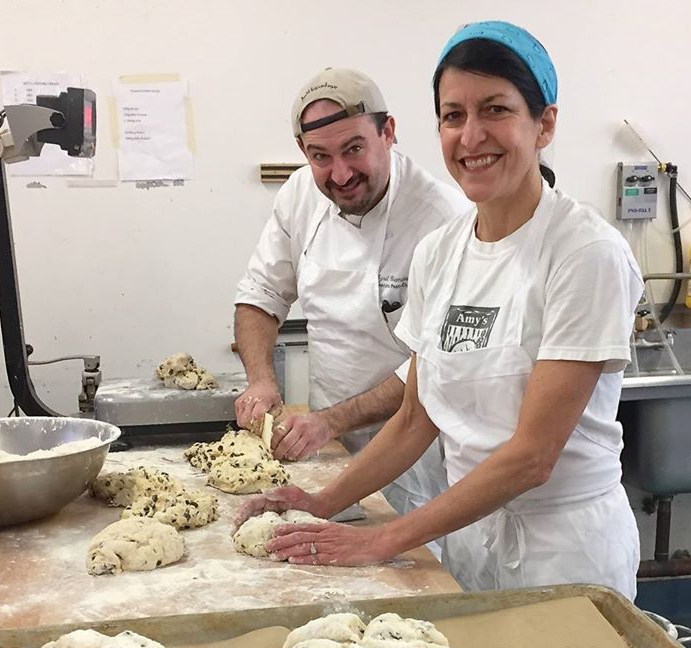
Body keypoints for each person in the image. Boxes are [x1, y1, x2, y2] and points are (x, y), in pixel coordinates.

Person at [237, 21, 644, 601]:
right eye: (453, 115)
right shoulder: (442, 252)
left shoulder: (584, 254)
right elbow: (415, 416)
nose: (470, 136)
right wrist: (322, 504)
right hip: (468, 535)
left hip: (564, 550)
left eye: (495, 109)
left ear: (544, 123)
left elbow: (532, 456)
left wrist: (387, 538)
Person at [233, 68, 469, 533]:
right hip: (326, 448)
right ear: (303, 151)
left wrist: (331, 421)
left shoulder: (444, 220)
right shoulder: (300, 193)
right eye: (321, 156)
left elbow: (433, 367)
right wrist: (261, 380)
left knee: (410, 572)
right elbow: (260, 296)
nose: (339, 174)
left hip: (418, 455)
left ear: (388, 132)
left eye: (354, 150)